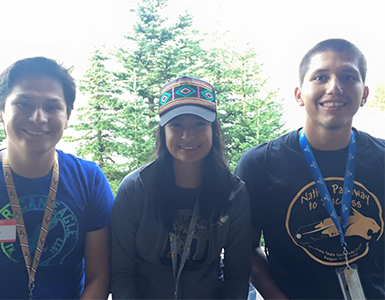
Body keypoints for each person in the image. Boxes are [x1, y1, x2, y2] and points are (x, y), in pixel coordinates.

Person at [236, 38, 385, 300]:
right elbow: (246, 249)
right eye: (320, 77)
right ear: (299, 95)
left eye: (348, 76)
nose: (334, 87)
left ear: (364, 94)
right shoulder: (259, 165)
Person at [111, 76, 251, 300]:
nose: (188, 135)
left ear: (213, 130)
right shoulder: (135, 189)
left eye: (199, 124)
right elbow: (121, 272)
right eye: (176, 125)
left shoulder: (233, 193)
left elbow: (238, 273)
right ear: (163, 130)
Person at [0, 57, 114, 300]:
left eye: (52, 107)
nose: (38, 118)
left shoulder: (89, 180)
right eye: (23, 103)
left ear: (67, 116)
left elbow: (99, 276)